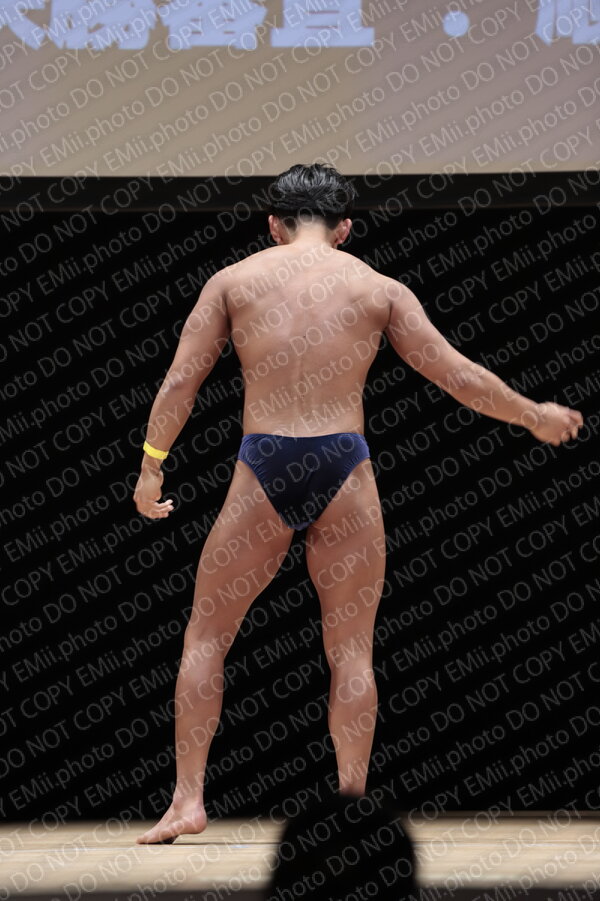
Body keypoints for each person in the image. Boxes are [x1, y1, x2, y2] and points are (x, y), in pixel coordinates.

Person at [133, 163, 584, 844]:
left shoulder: (232, 281)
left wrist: (151, 466)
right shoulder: (378, 287)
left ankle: (187, 801)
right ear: (345, 227)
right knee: (351, 650)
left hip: (264, 460)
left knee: (206, 636)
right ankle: (352, 806)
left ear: (273, 224)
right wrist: (533, 415)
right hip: (343, 463)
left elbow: (179, 382)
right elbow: (456, 374)